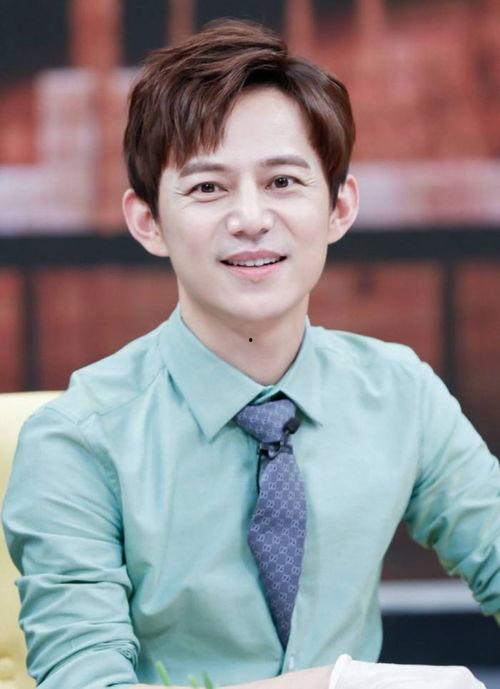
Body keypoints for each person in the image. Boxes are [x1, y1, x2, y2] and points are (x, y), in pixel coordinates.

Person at [2, 18, 499, 689]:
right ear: (148, 221)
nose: (251, 218)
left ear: (339, 208)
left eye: (283, 181)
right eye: (208, 188)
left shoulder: (399, 392)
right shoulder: (77, 441)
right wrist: (334, 685)